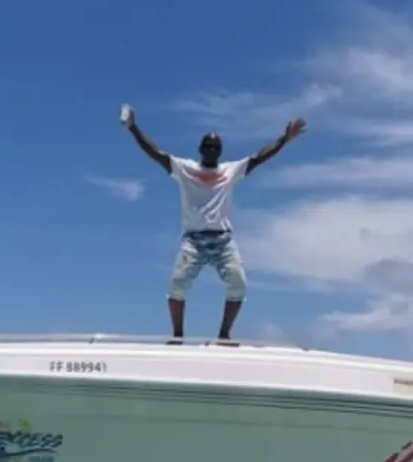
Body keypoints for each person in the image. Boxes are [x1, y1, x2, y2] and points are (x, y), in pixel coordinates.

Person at [120, 104, 306, 342]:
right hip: (194, 241)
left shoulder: (230, 170)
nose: (211, 150)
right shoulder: (184, 169)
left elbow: (260, 156)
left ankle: (224, 334)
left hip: (223, 240)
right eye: (208, 146)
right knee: (177, 286)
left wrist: (284, 139)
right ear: (200, 149)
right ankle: (178, 336)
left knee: (238, 285)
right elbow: (154, 152)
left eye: (216, 147)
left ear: (220, 151)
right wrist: (133, 128)